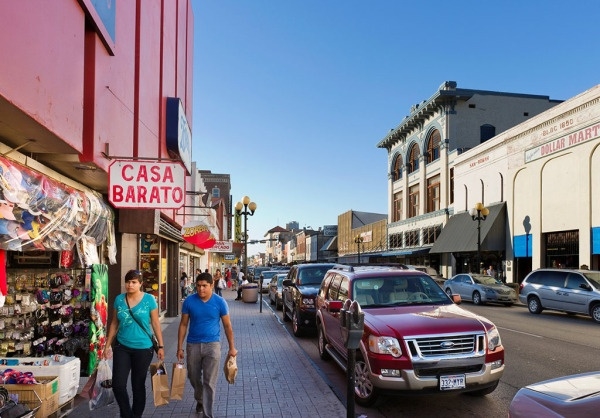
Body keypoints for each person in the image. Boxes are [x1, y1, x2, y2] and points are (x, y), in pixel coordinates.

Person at [104, 269, 164, 418]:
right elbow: (113, 323)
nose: (130, 285)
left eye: (134, 282)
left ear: (140, 284)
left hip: (144, 349)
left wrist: (161, 346)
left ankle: (136, 415)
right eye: (128, 282)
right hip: (122, 346)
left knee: (137, 385)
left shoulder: (149, 299)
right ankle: (126, 414)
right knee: (118, 385)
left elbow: (156, 324)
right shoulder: (119, 299)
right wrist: (107, 346)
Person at [177, 272, 237, 417]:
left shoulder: (220, 302)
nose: (201, 289)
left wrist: (232, 347)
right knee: (193, 377)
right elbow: (184, 324)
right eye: (198, 286)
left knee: (209, 382)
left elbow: (227, 326)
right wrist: (179, 347)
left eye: (204, 286)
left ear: (211, 285)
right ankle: (200, 399)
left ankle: (208, 414)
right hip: (193, 345)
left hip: (213, 345)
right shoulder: (189, 301)